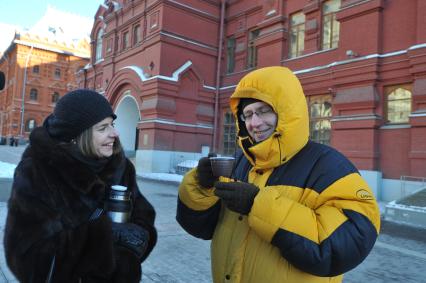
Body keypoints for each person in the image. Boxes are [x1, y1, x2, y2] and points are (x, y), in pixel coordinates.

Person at [176, 66, 380, 282]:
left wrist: (258, 205)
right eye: (248, 114)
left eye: (264, 110)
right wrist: (201, 186)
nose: (255, 123)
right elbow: (201, 227)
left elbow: (346, 245)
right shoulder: (239, 162)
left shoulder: (329, 166)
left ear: (288, 111)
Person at [4, 89, 157, 282]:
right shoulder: (38, 170)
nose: (115, 133)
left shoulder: (119, 166)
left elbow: (143, 216)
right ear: (76, 135)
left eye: (112, 124)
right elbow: (25, 257)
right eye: (103, 128)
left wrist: (139, 237)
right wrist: (102, 237)